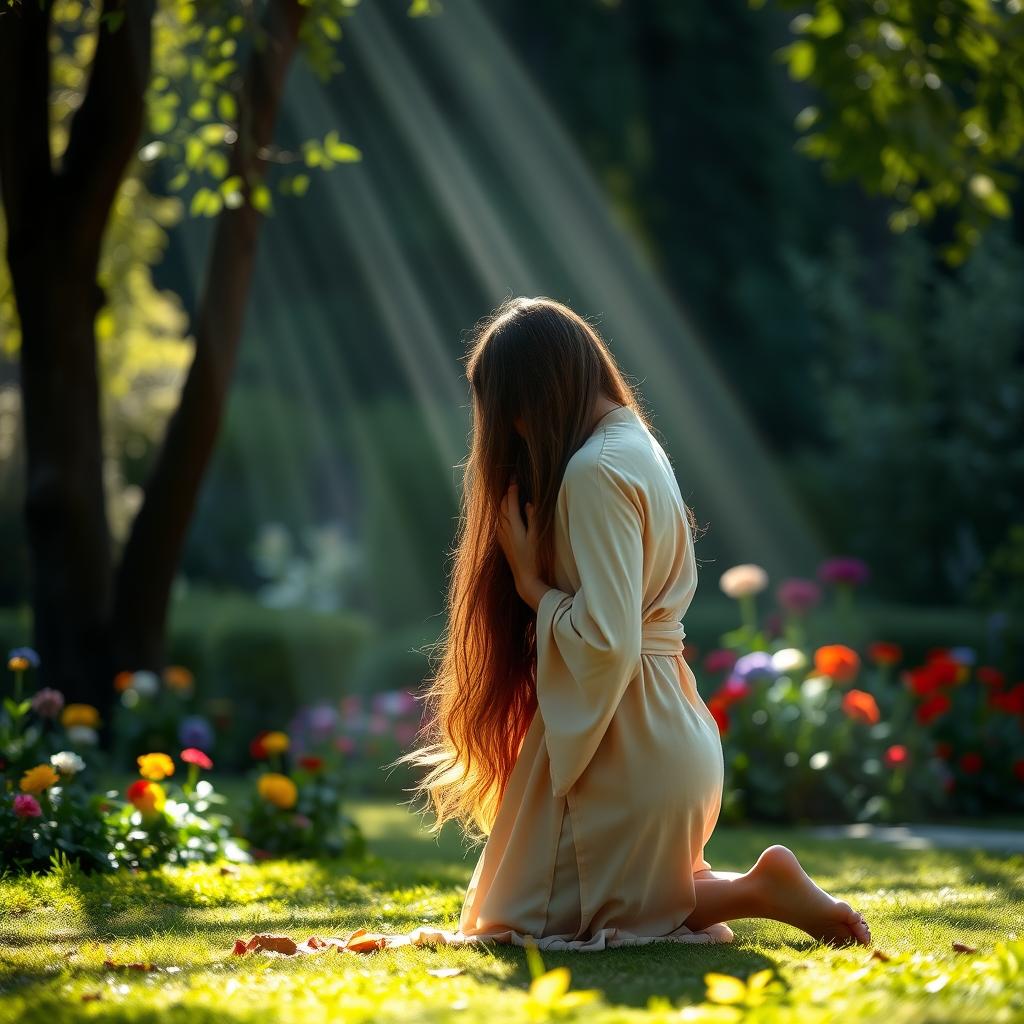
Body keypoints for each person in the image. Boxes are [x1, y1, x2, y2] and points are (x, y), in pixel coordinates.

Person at [233, 295, 871, 958]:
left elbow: (607, 639)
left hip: (629, 743)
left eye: (507, 411)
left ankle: (753, 891)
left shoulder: (594, 470)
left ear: (532, 395)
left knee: (523, 924)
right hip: (669, 728)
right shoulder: (636, 444)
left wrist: (532, 585)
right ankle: (754, 888)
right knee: (572, 907)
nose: (509, 432)